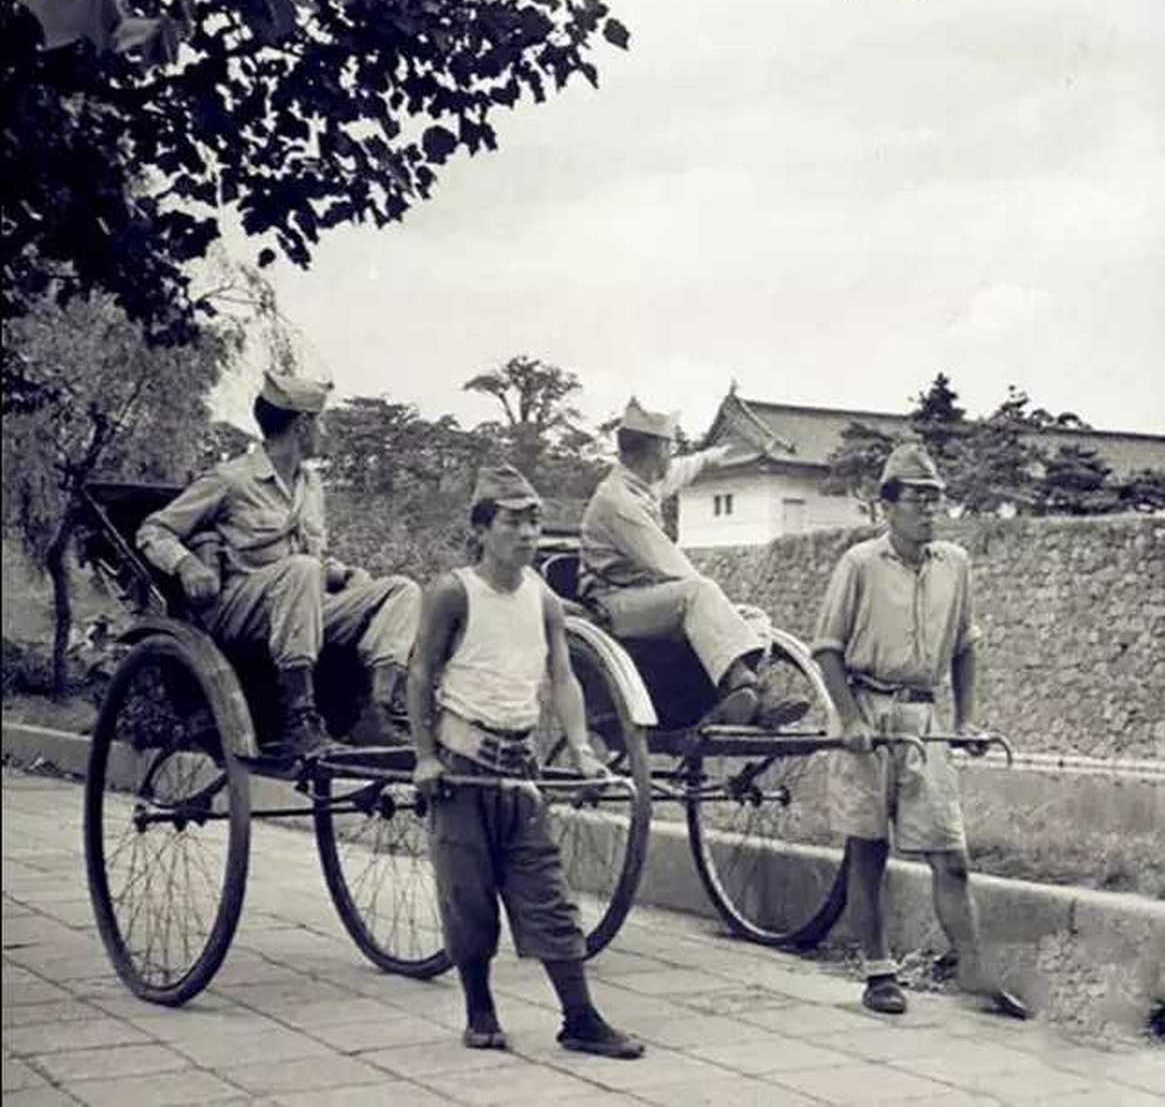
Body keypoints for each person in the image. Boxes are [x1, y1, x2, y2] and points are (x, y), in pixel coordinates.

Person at [408, 463, 645, 1059]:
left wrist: (584, 751)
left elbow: (563, 679)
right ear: (483, 529)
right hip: (461, 770)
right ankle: (479, 1007)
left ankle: (580, 1017)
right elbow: (420, 674)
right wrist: (424, 757)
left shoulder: (543, 598)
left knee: (549, 895)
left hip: (520, 770)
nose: (528, 534)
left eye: (535, 522)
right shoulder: (453, 592)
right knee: (468, 899)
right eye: (514, 522)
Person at [811, 442, 1027, 1019]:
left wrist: (966, 718)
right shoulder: (859, 563)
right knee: (868, 849)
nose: (930, 511)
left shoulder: (954, 563)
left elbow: (964, 646)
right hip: (866, 707)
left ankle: (975, 972)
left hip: (923, 717)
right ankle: (879, 972)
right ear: (888, 506)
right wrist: (851, 720)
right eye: (917, 500)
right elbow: (826, 651)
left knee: (949, 853)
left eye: (937, 500)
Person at [137, 371, 421, 758]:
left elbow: (312, 557)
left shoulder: (312, 485)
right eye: (320, 422)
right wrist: (186, 564)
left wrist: (342, 573)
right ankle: (298, 718)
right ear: (303, 426)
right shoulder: (231, 479)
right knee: (301, 570)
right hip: (241, 609)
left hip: (302, 607)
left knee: (401, 589)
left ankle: (378, 711)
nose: (325, 432)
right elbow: (153, 530)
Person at [578, 397, 801, 728]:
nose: (672, 455)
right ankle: (742, 685)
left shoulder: (641, 482)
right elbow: (669, 564)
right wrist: (714, 603)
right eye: (669, 448)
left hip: (648, 601)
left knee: (754, 616)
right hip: (615, 606)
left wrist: (713, 455)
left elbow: (683, 469)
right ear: (655, 450)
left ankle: (741, 700)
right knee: (699, 593)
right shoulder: (617, 501)